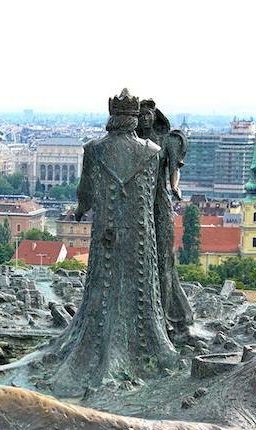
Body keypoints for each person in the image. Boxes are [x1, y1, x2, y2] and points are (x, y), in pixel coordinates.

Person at [45, 89, 177, 395]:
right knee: (140, 288)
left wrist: (79, 211)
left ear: (112, 118)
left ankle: (104, 348)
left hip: (106, 231)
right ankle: (143, 347)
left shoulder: (94, 149)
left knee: (103, 286)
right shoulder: (152, 152)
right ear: (133, 121)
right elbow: (158, 195)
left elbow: (85, 191)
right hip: (140, 235)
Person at [137, 99, 193, 337]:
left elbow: (174, 170)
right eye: (142, 115)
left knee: (163, 258)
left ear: (155, 116)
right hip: (138, 203)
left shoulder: (168, 140)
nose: (146, 118)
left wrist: (175, 187)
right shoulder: (131, 144)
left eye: (149, 114)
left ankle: (167, 314)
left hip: (159, 202)